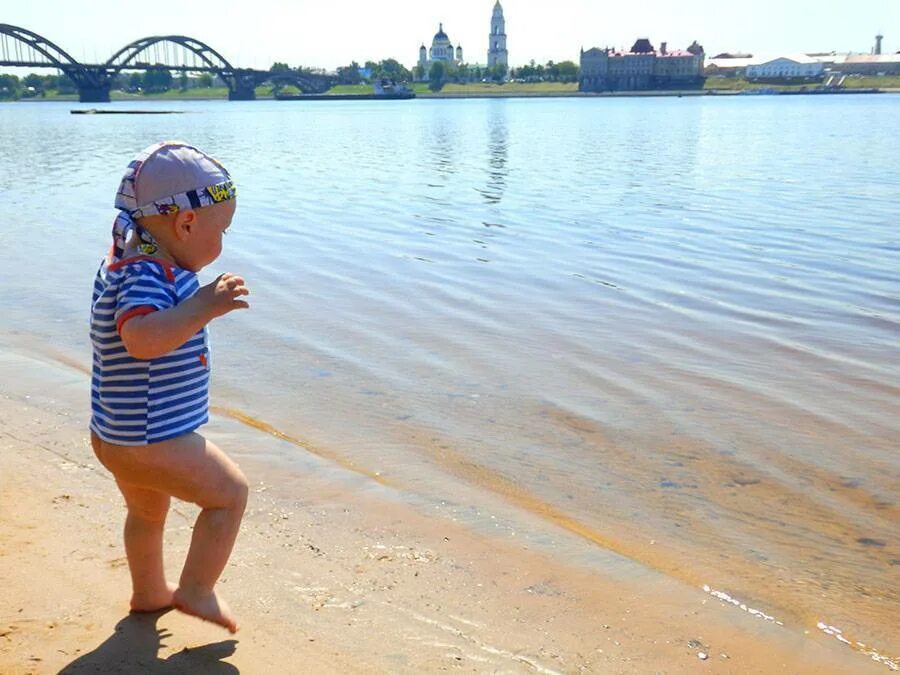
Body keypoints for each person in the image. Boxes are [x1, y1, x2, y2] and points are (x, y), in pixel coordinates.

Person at [89, 141, 250, 633]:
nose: (222, 241)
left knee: (147, 512)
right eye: (220, 230)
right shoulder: (148, 275)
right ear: (185, 224)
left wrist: (194, 305)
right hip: (150, 436)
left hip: (116, 434)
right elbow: (139, 338)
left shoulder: (128, 263)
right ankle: (196, 590)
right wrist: (203, 307)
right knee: (229, 494)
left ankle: (148, 592)